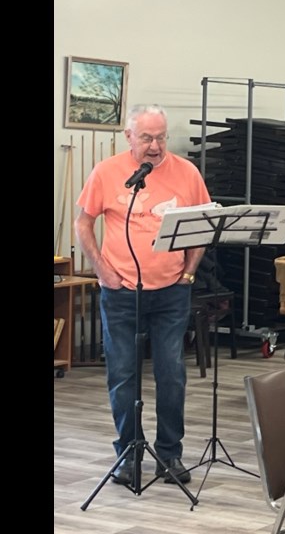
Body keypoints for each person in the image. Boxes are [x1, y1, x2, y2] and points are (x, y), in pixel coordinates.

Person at [75, 104, 211, 486]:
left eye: (161, 137)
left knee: (172, 374)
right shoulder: (107, 172)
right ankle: (129, 455)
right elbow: (83, 222)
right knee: (122, 376)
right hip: (120, 294)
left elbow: (204, 223)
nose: (155, 146)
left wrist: (189, 271)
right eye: (147, 137)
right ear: (129, 137)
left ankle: (170, 455)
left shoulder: (187, 173)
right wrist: (101, 270)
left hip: (170, 292)